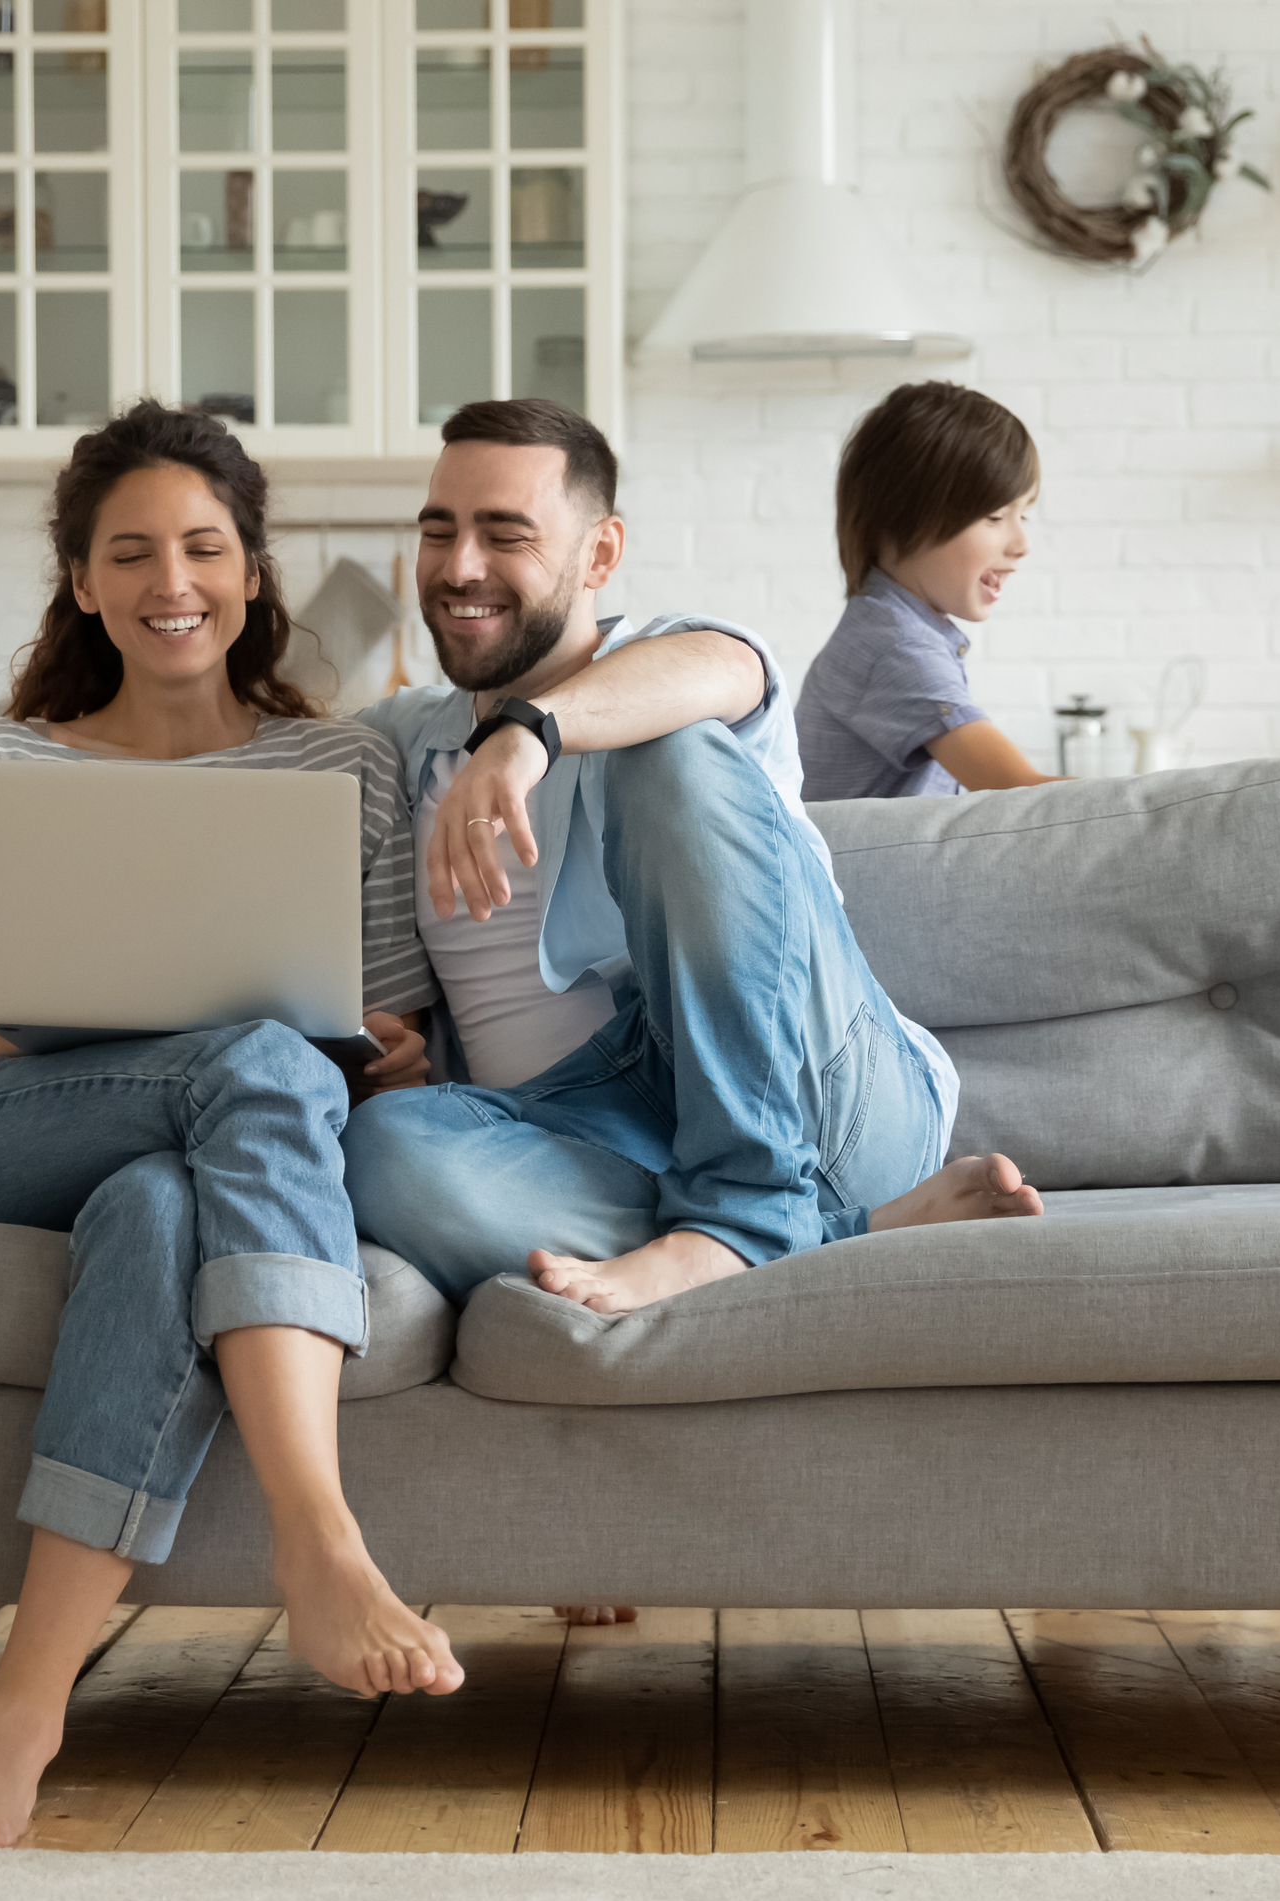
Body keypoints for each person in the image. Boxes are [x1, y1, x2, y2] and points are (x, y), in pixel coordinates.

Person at [0, 401, 466, 1847]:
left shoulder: (345, 769)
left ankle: (21, 1717)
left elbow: (386, 1011)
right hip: (10, 1127)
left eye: (203, 547)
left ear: (253, 572)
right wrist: (90, 1024)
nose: (169, 580)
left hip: (202, 1158)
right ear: (82, 581)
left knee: (162, 1211)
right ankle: (319, 1540)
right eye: (131, 553)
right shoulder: (2, 767)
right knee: (247, 1059)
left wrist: (396, 1043)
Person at [343, 395, 1043, 1326]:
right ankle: (835, 1231)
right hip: (596, 1129)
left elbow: (719, 672)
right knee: (379, 1150)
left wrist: (531, 733)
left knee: (665, 743)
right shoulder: (400, 741)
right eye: (440, 532)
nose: (461, 566)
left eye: (504, 534)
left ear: (599, 555)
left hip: (819, 1090)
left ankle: (744, 1209)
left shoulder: (672, 660)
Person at [794, 381, 1060, 801]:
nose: (1021, 544)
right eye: (994, 516)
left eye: (1022, 514)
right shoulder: (895, 649)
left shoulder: (895, 630)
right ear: (901, 518)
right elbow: (1024, 795)